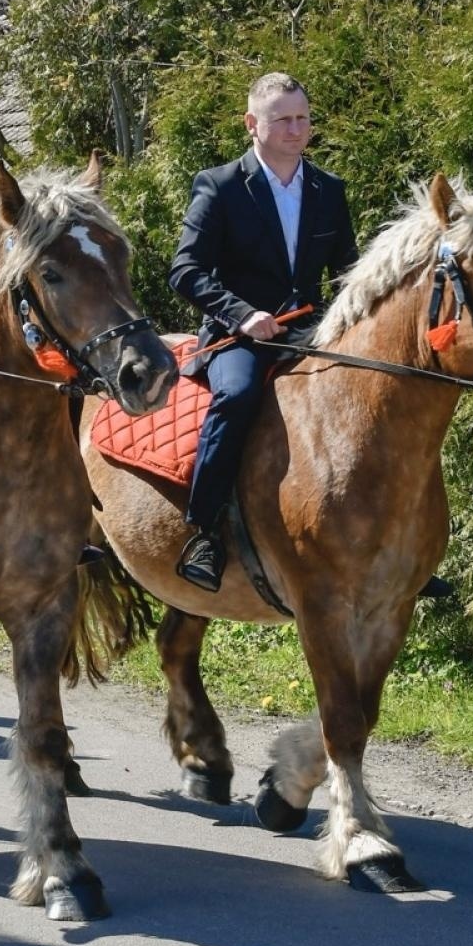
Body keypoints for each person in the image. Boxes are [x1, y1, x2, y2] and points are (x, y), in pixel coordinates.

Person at [168, 73, 360, 593]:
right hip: (240, 337)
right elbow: (185, 270)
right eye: (282, 119)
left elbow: (348, 274)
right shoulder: (220, 185)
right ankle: (204, 532)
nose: (295, 129)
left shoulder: (329, 190)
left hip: (313, 333)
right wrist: (242, 313)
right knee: (238, 394)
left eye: (302, 118)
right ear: (253, 124)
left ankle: (381, 540)